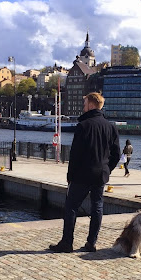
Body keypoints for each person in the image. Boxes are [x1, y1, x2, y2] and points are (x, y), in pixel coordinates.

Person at [50, 92, 121, 253]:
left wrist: (70, 176)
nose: (83, 107)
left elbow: (75, 154)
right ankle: (91, 243)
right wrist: (107, 169)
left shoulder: (83, 126)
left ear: (91, 105)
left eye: (84, 104)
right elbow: (116, 154)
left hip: (82, 174)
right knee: (97, 207)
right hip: (100, 174)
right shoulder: (111, 127)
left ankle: (67, 243)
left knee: (71, 207)